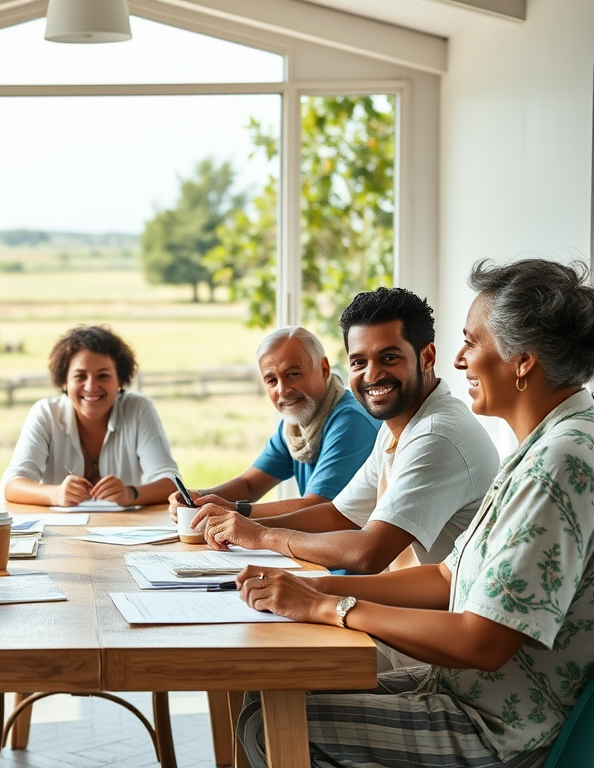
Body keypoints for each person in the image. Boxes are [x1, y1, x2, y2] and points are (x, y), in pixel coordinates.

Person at [234, 257, 594, 768]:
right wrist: (321, 587)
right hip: (462, 688)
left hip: (498, 729)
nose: (461, 359)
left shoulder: (558, 463)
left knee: (272, 721)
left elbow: (483, 642)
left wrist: (325, 607)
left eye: (473, 341)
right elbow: (449, 576)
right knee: (267, 696)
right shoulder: (542, 446)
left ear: (522, 360)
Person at [200, 288, 499, 576]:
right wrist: (249, 524)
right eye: (359, 362)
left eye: (389, 358)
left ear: (427, 358)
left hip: (432, 618)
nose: (372, 375)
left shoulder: (436, 435)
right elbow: (338, 515)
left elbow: (367, 552)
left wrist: (265, 537)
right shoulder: (398, 425)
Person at [167, 326, 378, 521]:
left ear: (323, 369)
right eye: (271, 380)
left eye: (293, 374)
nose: (283, 390)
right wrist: (198, 498)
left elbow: (317, 505)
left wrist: (234, 510)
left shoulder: (351, 420)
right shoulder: (294, 426)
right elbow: (249, 485)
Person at [1, 325, 179, 506]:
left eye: (103, 376)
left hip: (123, 531)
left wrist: (130, 493)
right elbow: (12, 485)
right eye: (80, 376)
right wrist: (54, 494)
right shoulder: (46, 413)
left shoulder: (139, 409)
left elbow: (172, 483)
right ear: (64, 381)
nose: (91, 387)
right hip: (58, 532)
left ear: (120, 379)